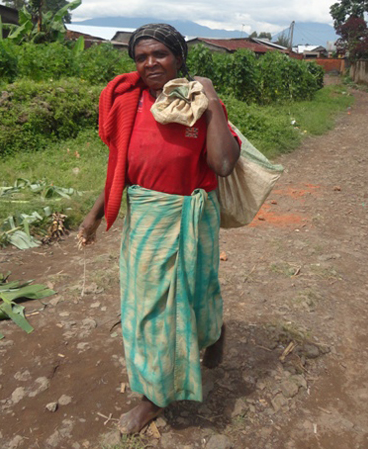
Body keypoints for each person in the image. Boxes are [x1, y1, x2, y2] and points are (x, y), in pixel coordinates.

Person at [78, 23, 241, 435]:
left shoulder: (199, 104)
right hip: (148, 222)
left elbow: (223, 164)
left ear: (179, 57)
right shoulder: (130, 105)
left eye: (160, 54)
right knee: (148, 309)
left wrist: (213, 98)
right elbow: (121, 167)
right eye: (141, 57)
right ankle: (153, 395)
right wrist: (95, 214)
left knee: (199, 291)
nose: (150, 63)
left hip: (192, 216)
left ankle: (213, 329)